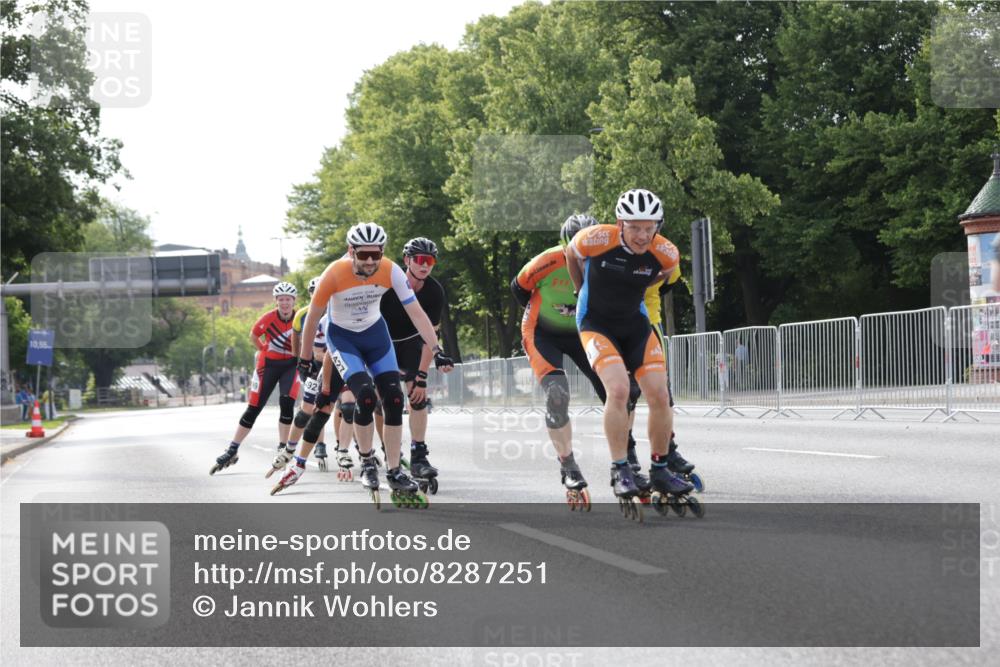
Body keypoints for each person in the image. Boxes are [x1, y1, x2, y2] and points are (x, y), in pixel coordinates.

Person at [272, 222, 454, 505]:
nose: (370, 261)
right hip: (344, 339)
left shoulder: (391, 270)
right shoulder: (333, 274)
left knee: (394, 399)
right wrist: (305, 359)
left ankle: (394, 471)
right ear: (351, 251)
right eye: (363, 254)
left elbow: (418, 314)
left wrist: (437, 349)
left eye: (375, 254)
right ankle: (367, 460)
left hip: (375, 335)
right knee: (366, 397)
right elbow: (310, 322)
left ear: (382, 252)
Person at [566, 188, 696, 517]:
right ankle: (620, 468)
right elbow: (570, 253)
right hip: (596, 323)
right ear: (620, 223)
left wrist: (633, 286)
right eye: (634, 227)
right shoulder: (595, 239)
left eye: (649, 227)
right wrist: (580, 289)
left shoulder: (666, 253)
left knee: (659, 394)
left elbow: (663, 277)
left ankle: (660, 468)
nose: (642, 235)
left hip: (635, 323)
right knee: (619, 389)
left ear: (658, 226)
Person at [511, 214, 630, 509]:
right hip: (542, 332)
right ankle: (568, 466)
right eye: (574, 251)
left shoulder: (608, 259)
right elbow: (518, 288)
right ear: (564, 246)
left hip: (581, 330)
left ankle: (628, 459)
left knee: (619, 391)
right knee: (557, 393)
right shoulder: (548, 260)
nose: (582, 258)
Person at [378, 237, 447, 493]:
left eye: (430, 261)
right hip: (381, 343)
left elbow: (432, 337)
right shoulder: (389, 285)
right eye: (419, 259)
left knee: (418, 396)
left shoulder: (434, 291)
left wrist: (421, 376)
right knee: (383, 401)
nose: (425, 265)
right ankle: (387, 452)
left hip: (410, 344)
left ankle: (418, 454)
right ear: (407, 260)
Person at [209, 282, 301, 475]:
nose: (285, 303)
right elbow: (253, 335)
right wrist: (263, 349)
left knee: (287, 403)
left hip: (291, 366)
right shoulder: (268, 318)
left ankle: (283, 448)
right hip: (268, 365)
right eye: (281, 299)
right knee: (253, 408)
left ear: (294, 301)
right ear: (276, 301)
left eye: (288, 299)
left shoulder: (300, 318)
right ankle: (232, 449)